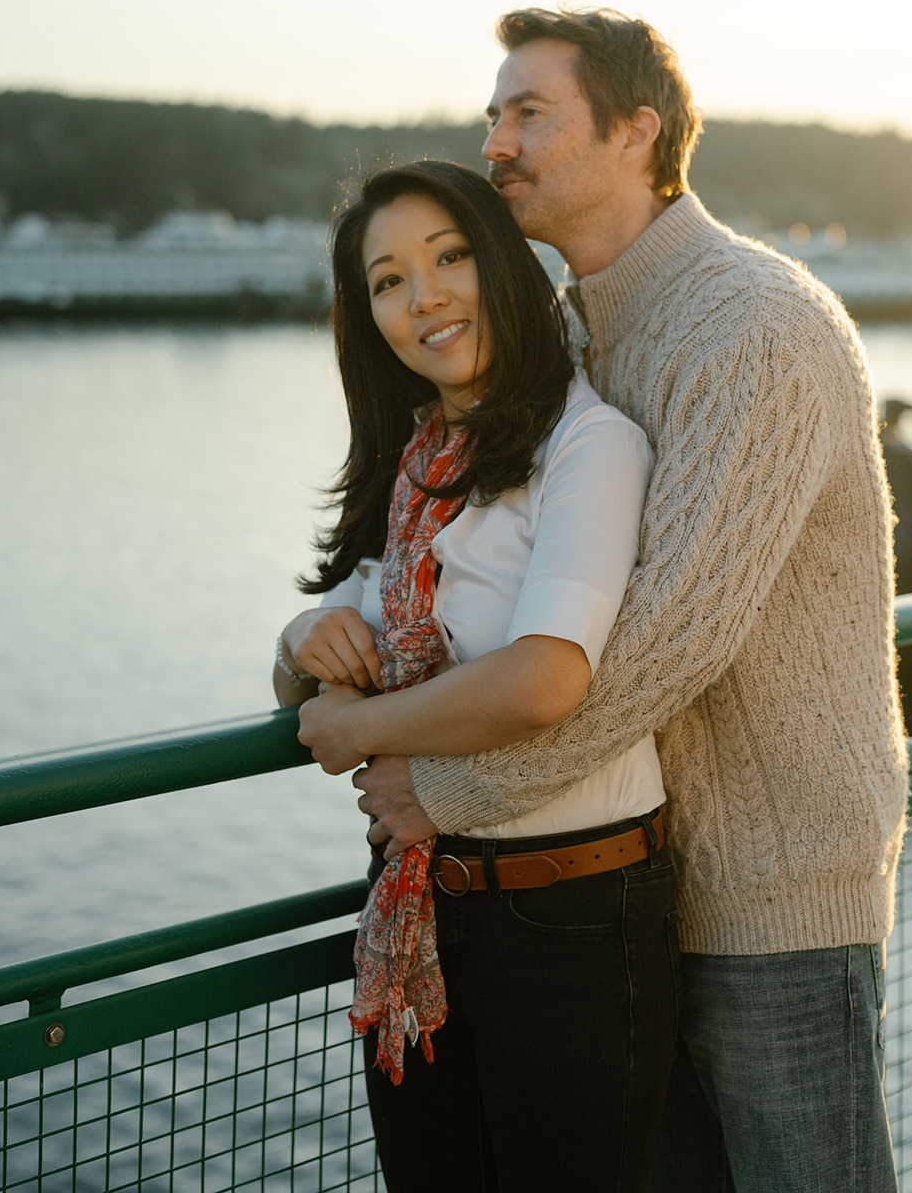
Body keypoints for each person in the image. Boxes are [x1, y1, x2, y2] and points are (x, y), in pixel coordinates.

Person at [351, 11, 910, 1192]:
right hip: (631, 893)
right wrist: (321, 632)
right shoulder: (567, 335)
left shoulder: (750, 324)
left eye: (527, 112)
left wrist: (444, 790)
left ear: (636, 132)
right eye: (491, 113)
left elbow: (665, 644)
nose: (493, 140)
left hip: (773, 898)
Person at [274, 159, 679, 1193]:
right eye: (388, 280)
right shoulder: (420, 463)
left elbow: (543, 676)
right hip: (418, 903)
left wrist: (364, 729)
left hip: (571, 920)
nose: (425, 296)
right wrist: (301, 645)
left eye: (449, 256)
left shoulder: (589, 446)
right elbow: (334, 637)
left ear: (502, 266)